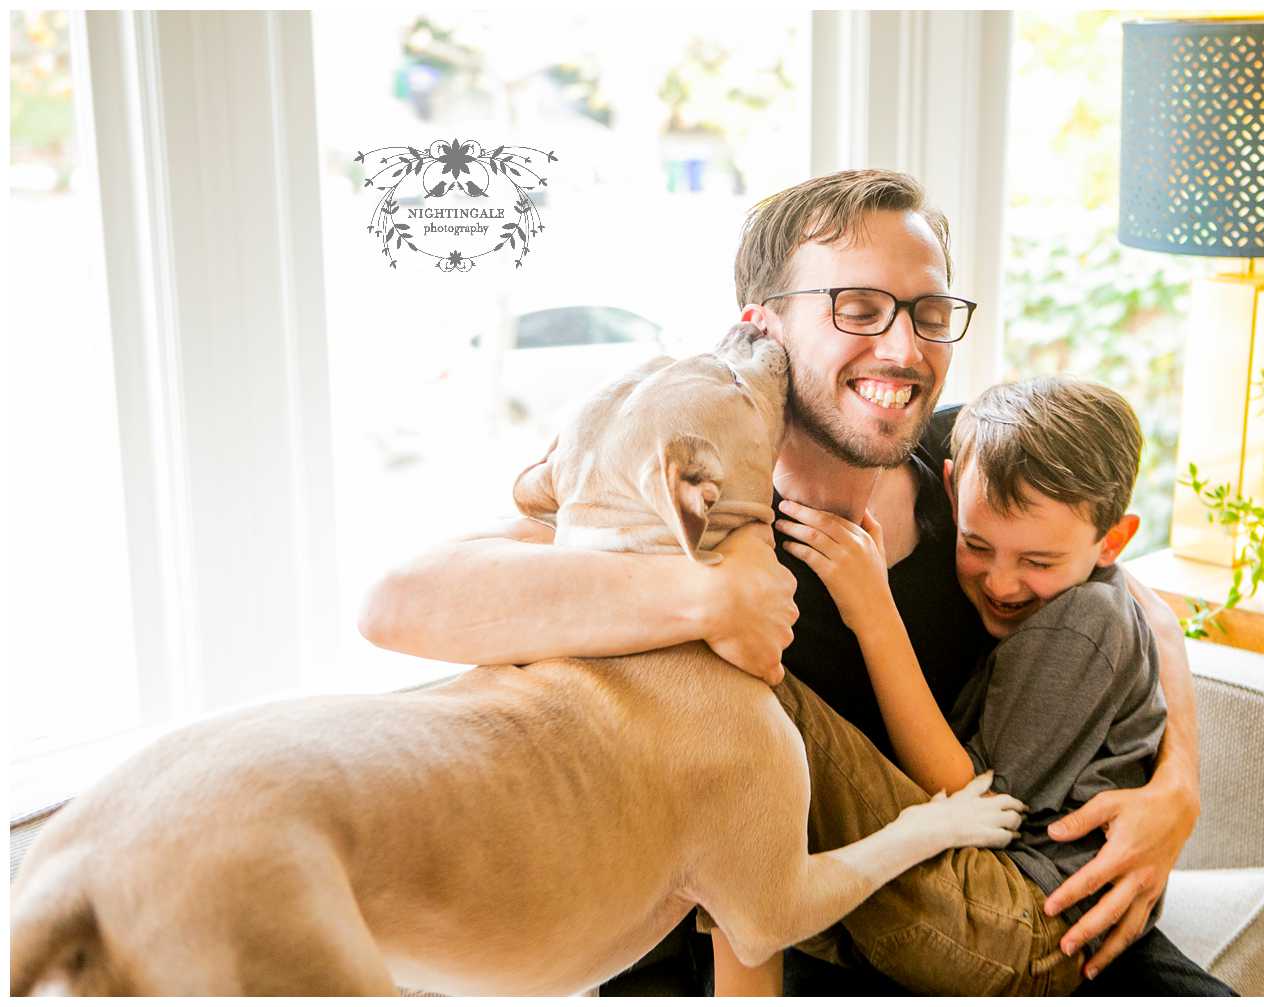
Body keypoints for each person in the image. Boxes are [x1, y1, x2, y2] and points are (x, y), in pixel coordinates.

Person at [359, 169, 1220, 995]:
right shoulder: (688, 504)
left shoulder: (968, 462)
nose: (904, 347)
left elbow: (1132, 598)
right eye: (858, 308)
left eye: (928, 312)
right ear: (763, 327)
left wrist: (1176, 784)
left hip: (1032, 899)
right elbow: (396, 600)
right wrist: (706, 599)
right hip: (820, 931)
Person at [762, 375, 1213, 995]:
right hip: (1005, 900)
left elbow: (974, 796)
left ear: (1113, 542)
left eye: (1038, 562)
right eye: (977, 546)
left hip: (1025, 910)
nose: (1001, 585)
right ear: (952, 492)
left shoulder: (1082, 620)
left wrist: (872, 610)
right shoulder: (977, 449)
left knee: (763, 697)